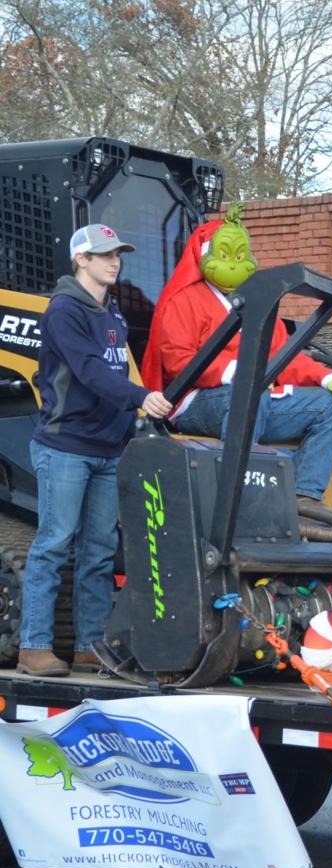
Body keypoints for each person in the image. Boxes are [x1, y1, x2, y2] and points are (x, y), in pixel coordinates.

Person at [18, 224, 174, 677]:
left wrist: (133, 422)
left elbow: (115, 374)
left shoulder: (114, 314)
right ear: (80, 259)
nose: (115, 261)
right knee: (54, 545)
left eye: (117, 254)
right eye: (104, 254)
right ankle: (34, 647)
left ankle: (91, 646)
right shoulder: (64, 311)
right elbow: (89, 371)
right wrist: (139, 397)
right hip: (66, 447)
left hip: (109, 450)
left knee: (100, 551)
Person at [140, 204, 332, 506]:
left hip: (255, 399)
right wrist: (236, 373)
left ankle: (304, 499)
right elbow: (178, 362)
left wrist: (327, 377)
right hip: (197, 403)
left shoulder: (259, 303)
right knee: (250, 392)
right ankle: (241, 498)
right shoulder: (184, 300)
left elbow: (284, 357)